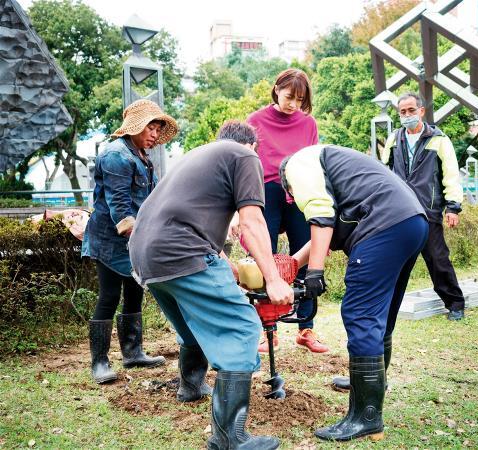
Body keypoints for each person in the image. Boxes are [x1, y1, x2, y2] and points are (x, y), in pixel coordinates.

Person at [129, 120, 293, 450]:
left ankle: (191, 386)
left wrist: (226, 266)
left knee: (193, 326)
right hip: (181, 250)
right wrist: (273, 279)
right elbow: (252, 222)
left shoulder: (197, 156)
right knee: (242, 327)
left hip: (144, 254)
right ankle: (230, 438)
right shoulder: (246, 157)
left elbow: (185, 215)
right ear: (252, 146)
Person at [280, 144, 428, 442]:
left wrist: (315, 274)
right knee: (379, 316)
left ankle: (366, 417)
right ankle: (372, 387)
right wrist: (294, 263)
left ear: (288, 186)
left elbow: (320, 216)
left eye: (293, 197)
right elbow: (330, 225)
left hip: (383, 225)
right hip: (411, 222)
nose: (295, 201)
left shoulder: (297, 164)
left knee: (360, 314)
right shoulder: (332, 162)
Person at [82, 99, 177, 384]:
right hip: (110, 240)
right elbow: (119, 206)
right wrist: (141, 237)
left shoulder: (142, 156)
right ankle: (99, 362)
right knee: (109, 296)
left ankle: (133, 352)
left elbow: (154, 200)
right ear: (135, 125)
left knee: (135, 291)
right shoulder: (115, 155)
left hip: (136, 239)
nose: (154, 134)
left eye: (158, 128)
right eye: (151, 127)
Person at [247, 68, 328, 354]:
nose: (293, 103)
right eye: (289, 96)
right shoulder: (255, 121)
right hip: (265, 191)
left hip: (298, 189)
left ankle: (307, 328)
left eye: (300, 99)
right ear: (277, 89)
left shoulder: (308, 124)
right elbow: (246, 163)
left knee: (306, 255)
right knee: (260, 258)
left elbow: (313, 160)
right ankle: (266, 329)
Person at [383, 92, 465, 321]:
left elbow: (451, 175)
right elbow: (383, 173)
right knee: (393, 260)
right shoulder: (394, 139)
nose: (407, 115)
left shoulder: (439, 139)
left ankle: (455, 304)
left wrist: (453, 207)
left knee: (438, 259)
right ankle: (387, 304)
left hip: (428, 211)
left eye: (411, 110)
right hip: (399, 211)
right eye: (402, 112)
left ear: (421, 111)